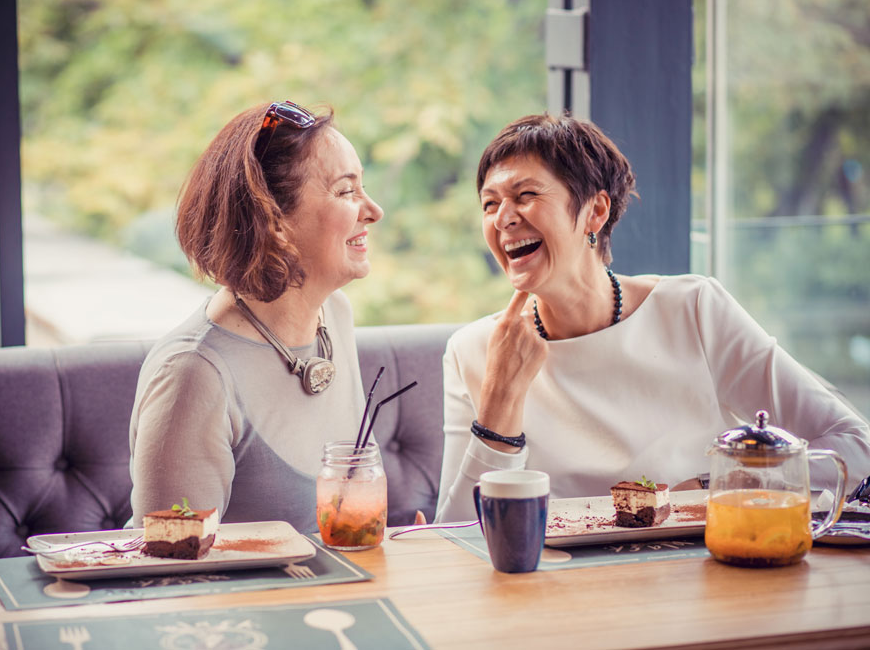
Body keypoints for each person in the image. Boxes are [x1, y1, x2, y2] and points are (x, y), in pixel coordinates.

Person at [435, 112, 870, 521]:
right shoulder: (472, 350)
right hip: (557, 586)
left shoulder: (694, 309)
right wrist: (498, 406)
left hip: (703, 573)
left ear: (595, 211)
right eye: (489, 204)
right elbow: (451, 537)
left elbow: (854, 445)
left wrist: (717, 487)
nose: (503, 219)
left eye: (525, 195)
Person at [128, 101, 383, 532]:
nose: (373, 210)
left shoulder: (334, 314)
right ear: (275, 221)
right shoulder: (193, 373)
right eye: (346, 191)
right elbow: (170, 570)